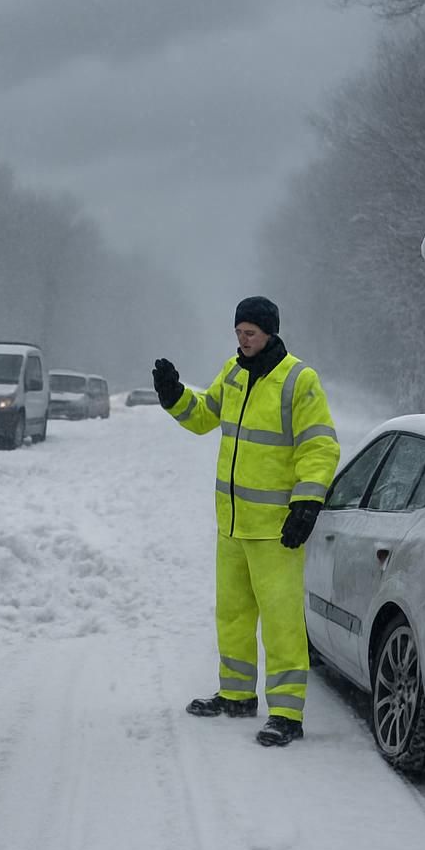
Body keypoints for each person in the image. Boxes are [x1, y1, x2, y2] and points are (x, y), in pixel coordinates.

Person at [153, 296, 339, 747]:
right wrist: (174, 396)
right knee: (233, 615)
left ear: (270, 332)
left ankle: (287, 712)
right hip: (232, 524)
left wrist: (307, 503)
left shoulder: (299, 380)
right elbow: (203, 418)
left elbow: (320, 447)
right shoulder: (233, 374)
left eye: (250, 333)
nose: (243, 340)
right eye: (238, 332)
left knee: (281, 622)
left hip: (276, 529)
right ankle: (236, 694)